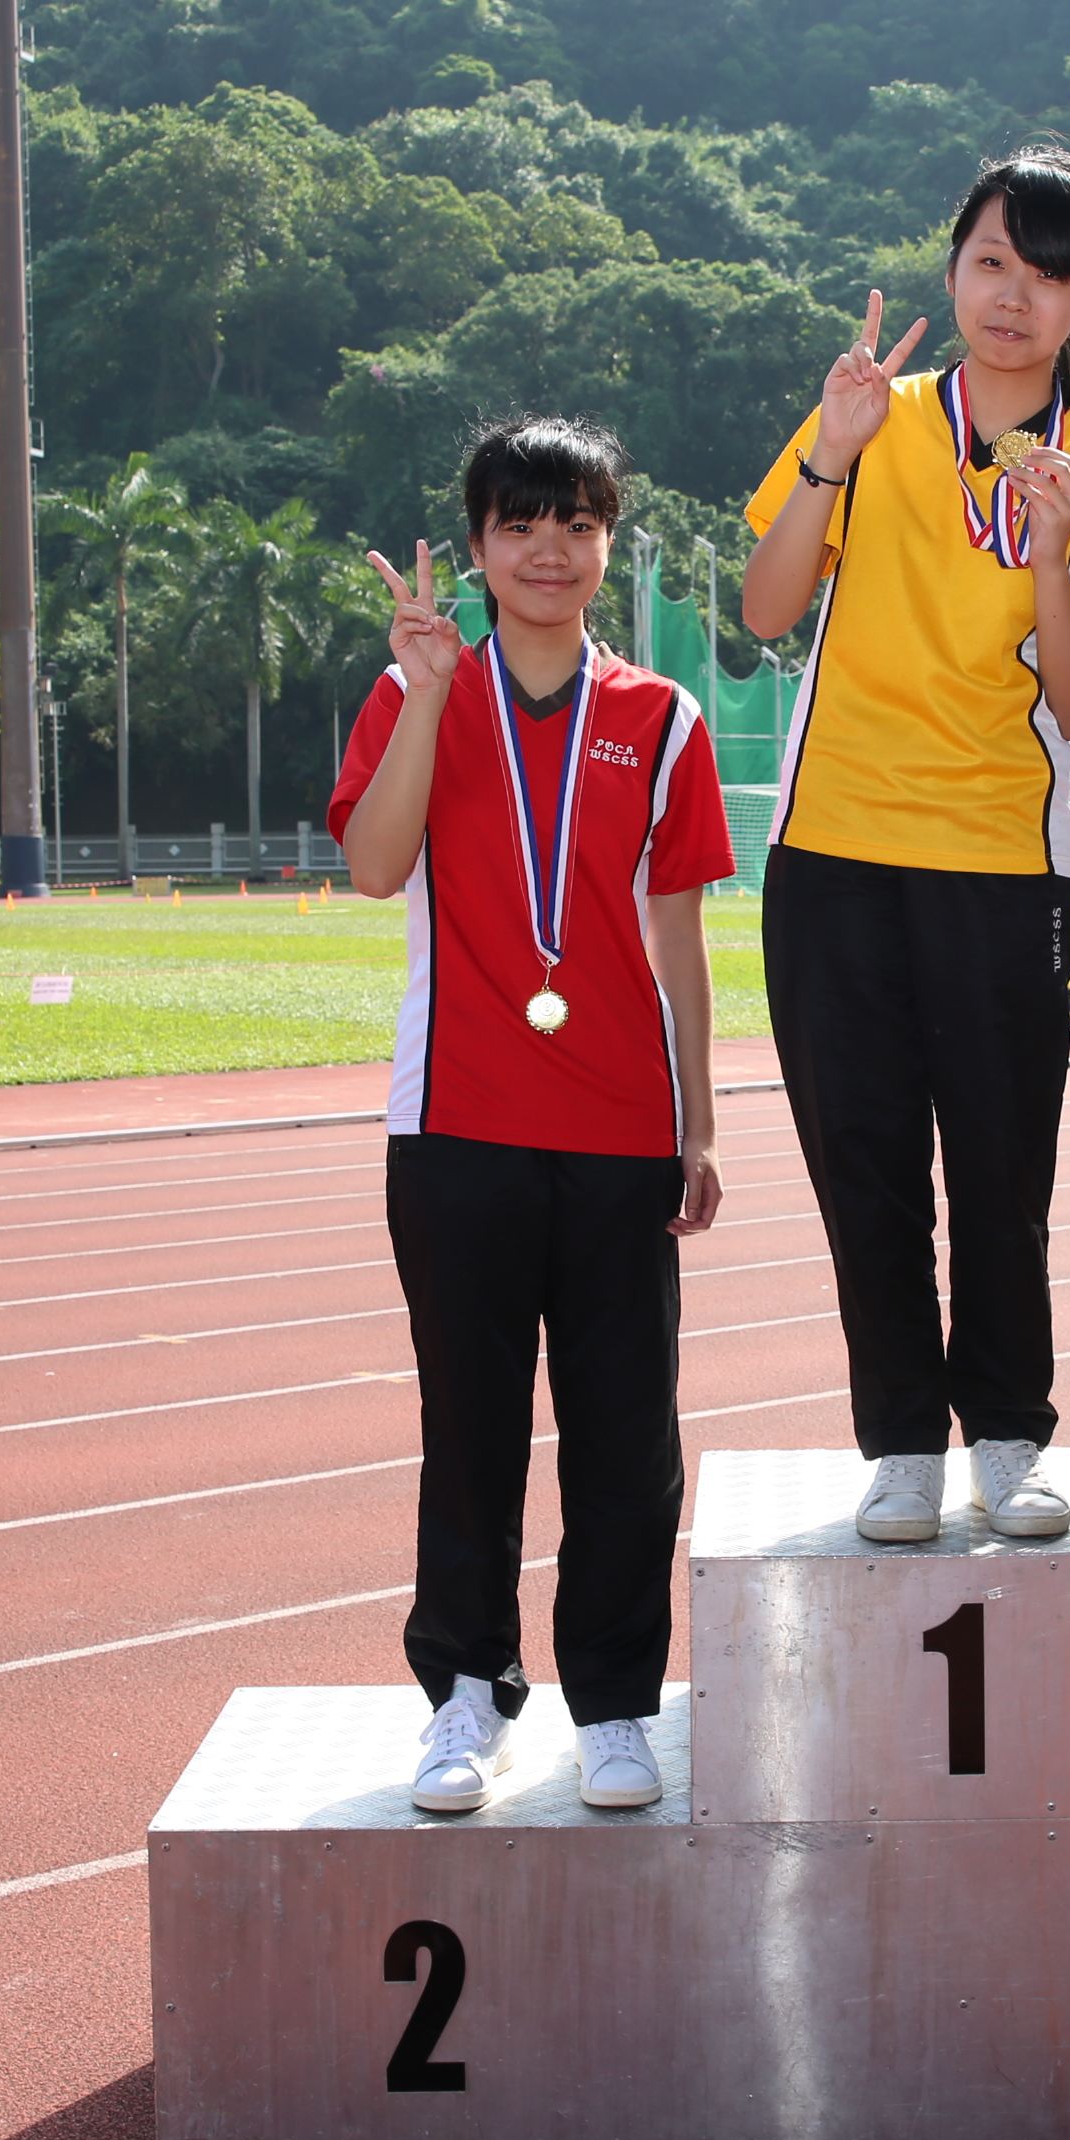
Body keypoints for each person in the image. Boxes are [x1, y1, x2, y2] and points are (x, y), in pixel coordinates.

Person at [738, 148, 1070, 1547]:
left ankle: (1006, 1433)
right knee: (863, 1165)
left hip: (1001, 865)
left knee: (1001, 1172)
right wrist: (829, 449)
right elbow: (765, 607)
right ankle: (898, 1444)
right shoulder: (871, 420)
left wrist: (1051, 549)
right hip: (833, 853)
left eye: (1050, 274)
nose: (1014, 296)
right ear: (952, 268)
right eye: (992, 261)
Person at [328, 417, 733, 1817]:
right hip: (458, 1123)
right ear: (480, 545)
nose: (549, 549)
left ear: (608, 540)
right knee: (472, 1428)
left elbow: (679, 942)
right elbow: (374, 867)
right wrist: (427, 694)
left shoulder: (664, 719)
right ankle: (466, 1692)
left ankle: (614, 1705)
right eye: (520, 523)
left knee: (628, 1437)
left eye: (577, 522)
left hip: (623, 1131)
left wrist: (700, 1124)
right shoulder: (412, 694)